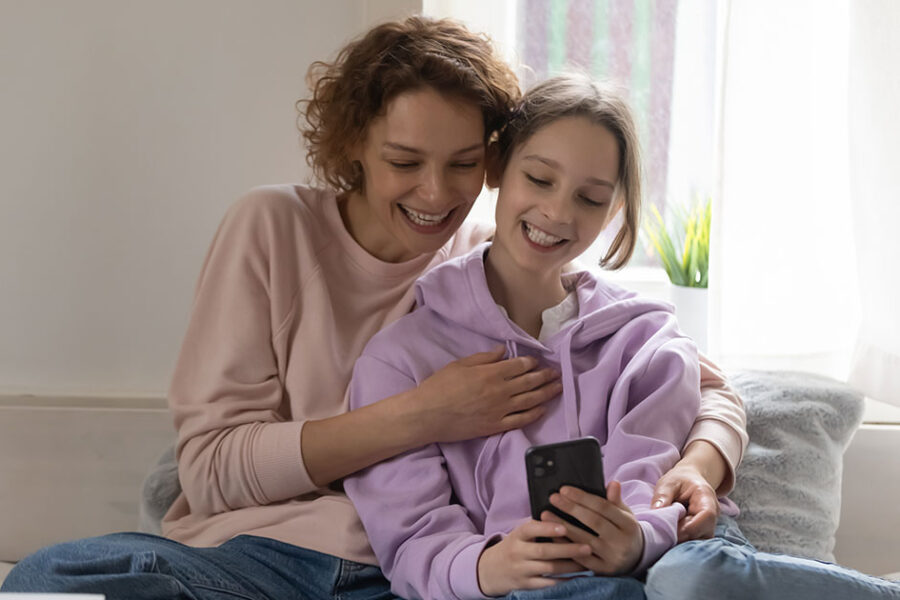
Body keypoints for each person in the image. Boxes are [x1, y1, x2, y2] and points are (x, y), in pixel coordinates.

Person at [1, 17, 745, 599]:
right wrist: (420, 415)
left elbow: (694, 378)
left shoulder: (492, 255)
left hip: (409, 576)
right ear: (354, 144)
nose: (435, 194)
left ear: (492, 163)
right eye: (404, 162)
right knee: (50, 577)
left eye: (462, 164)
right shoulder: (272, 229)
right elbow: (209, 470)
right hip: (258, 561)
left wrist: (700, 465)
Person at [346, 73, 900, 600]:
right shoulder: (401, 359)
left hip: (668, 555)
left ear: (614, 207)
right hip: (528, 583)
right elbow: (412, 542)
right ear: (499, 168)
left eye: (590, 199)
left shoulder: (645, 337)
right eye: (539, 179)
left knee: (688, 580)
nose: (557, 211)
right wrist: (489, 564)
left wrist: (635, 538)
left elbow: (653, 476)